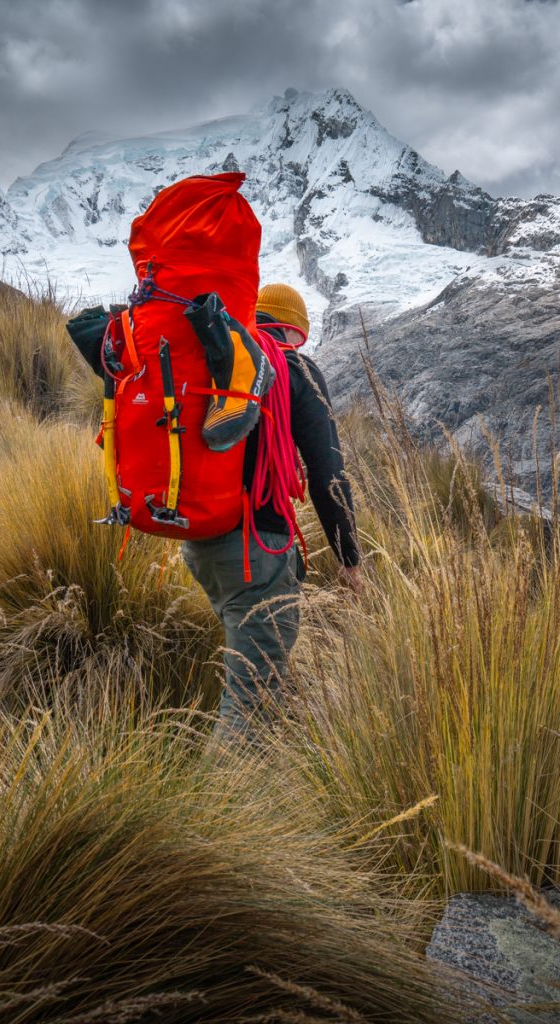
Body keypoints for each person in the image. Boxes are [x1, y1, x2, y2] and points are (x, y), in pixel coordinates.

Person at [181, 282, 361, 748]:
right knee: (251, 698)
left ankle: (262, 786)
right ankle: (216, 815)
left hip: (201, 541)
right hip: (253, 553)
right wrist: (350, 557)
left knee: (258, 672)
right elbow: (328, 475)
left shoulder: (220, 363)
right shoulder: (293, 368)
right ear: (294, 333)